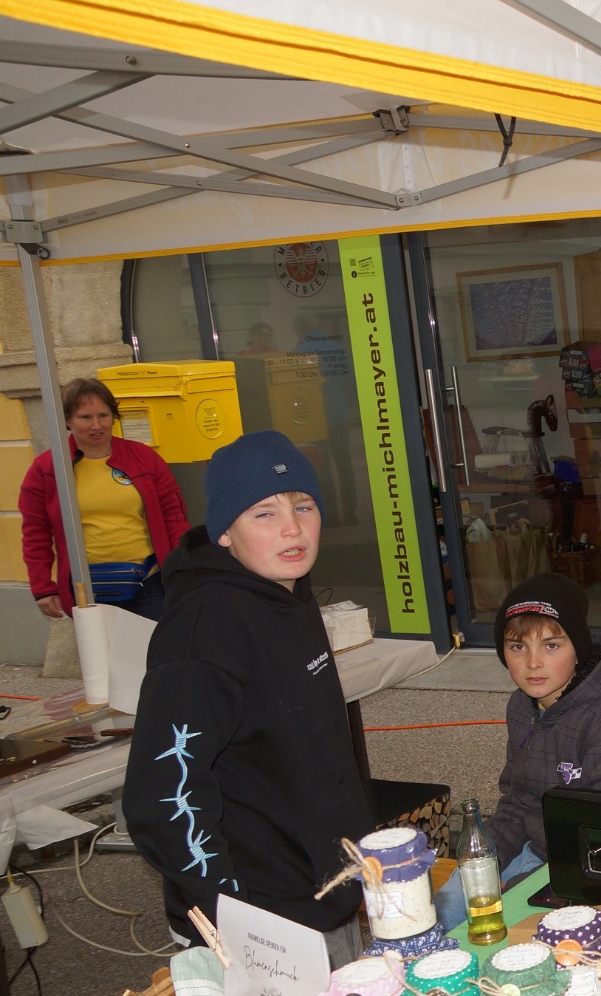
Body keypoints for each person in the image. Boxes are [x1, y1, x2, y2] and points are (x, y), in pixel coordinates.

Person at [122, 431, 375, 966]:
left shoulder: (288, 593)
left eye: (303, 506)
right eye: (264, 513)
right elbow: (162, 798)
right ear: (224, 533)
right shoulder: (204, 631)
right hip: (261, 923)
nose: (292, 528)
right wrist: (234, 912)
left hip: (323, 892)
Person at [483, 572, 601, 882]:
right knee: (449, 899)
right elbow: (518, 803)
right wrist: (480, 861)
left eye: (551, 645)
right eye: (518, 647)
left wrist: (512, 892)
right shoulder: (522, 706)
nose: (533, 662)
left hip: (595, 869)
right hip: (538, 851)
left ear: (578, 649)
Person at [20, 376, 189, 623]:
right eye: (85, 417)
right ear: (67, 420)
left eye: (103, 415)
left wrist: (184, 569)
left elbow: (173, 517)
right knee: (100, 649)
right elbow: (35, 532)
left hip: (149, 583)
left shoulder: (143, 458)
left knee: (156, 646)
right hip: (86, 588)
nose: (96, 425)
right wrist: (42, 587)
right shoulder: (47, 468)